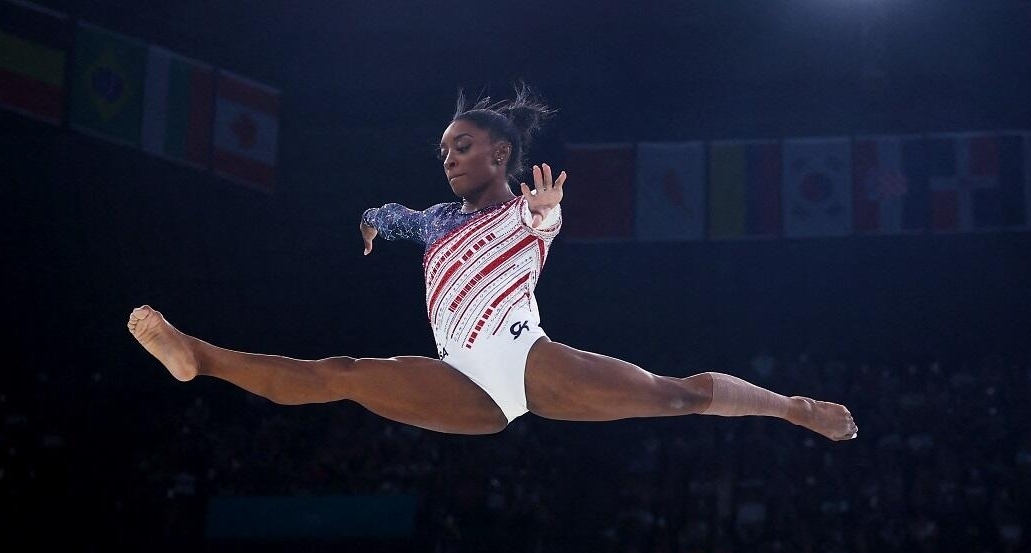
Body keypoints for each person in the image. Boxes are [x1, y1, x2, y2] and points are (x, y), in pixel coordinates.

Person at [128, 83, 858, 441]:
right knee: (341, 376)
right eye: (442, 150)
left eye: (461, 147)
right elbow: (395, 214)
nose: (447, 158)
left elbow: (547, 220)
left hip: (527, 359)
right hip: (460, 382)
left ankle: (793, 409)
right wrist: (371, 223)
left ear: (501, 154)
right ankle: (197, 355)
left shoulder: (524, 213)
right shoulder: (439, 221)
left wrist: (544, 212)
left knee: (675, 395)